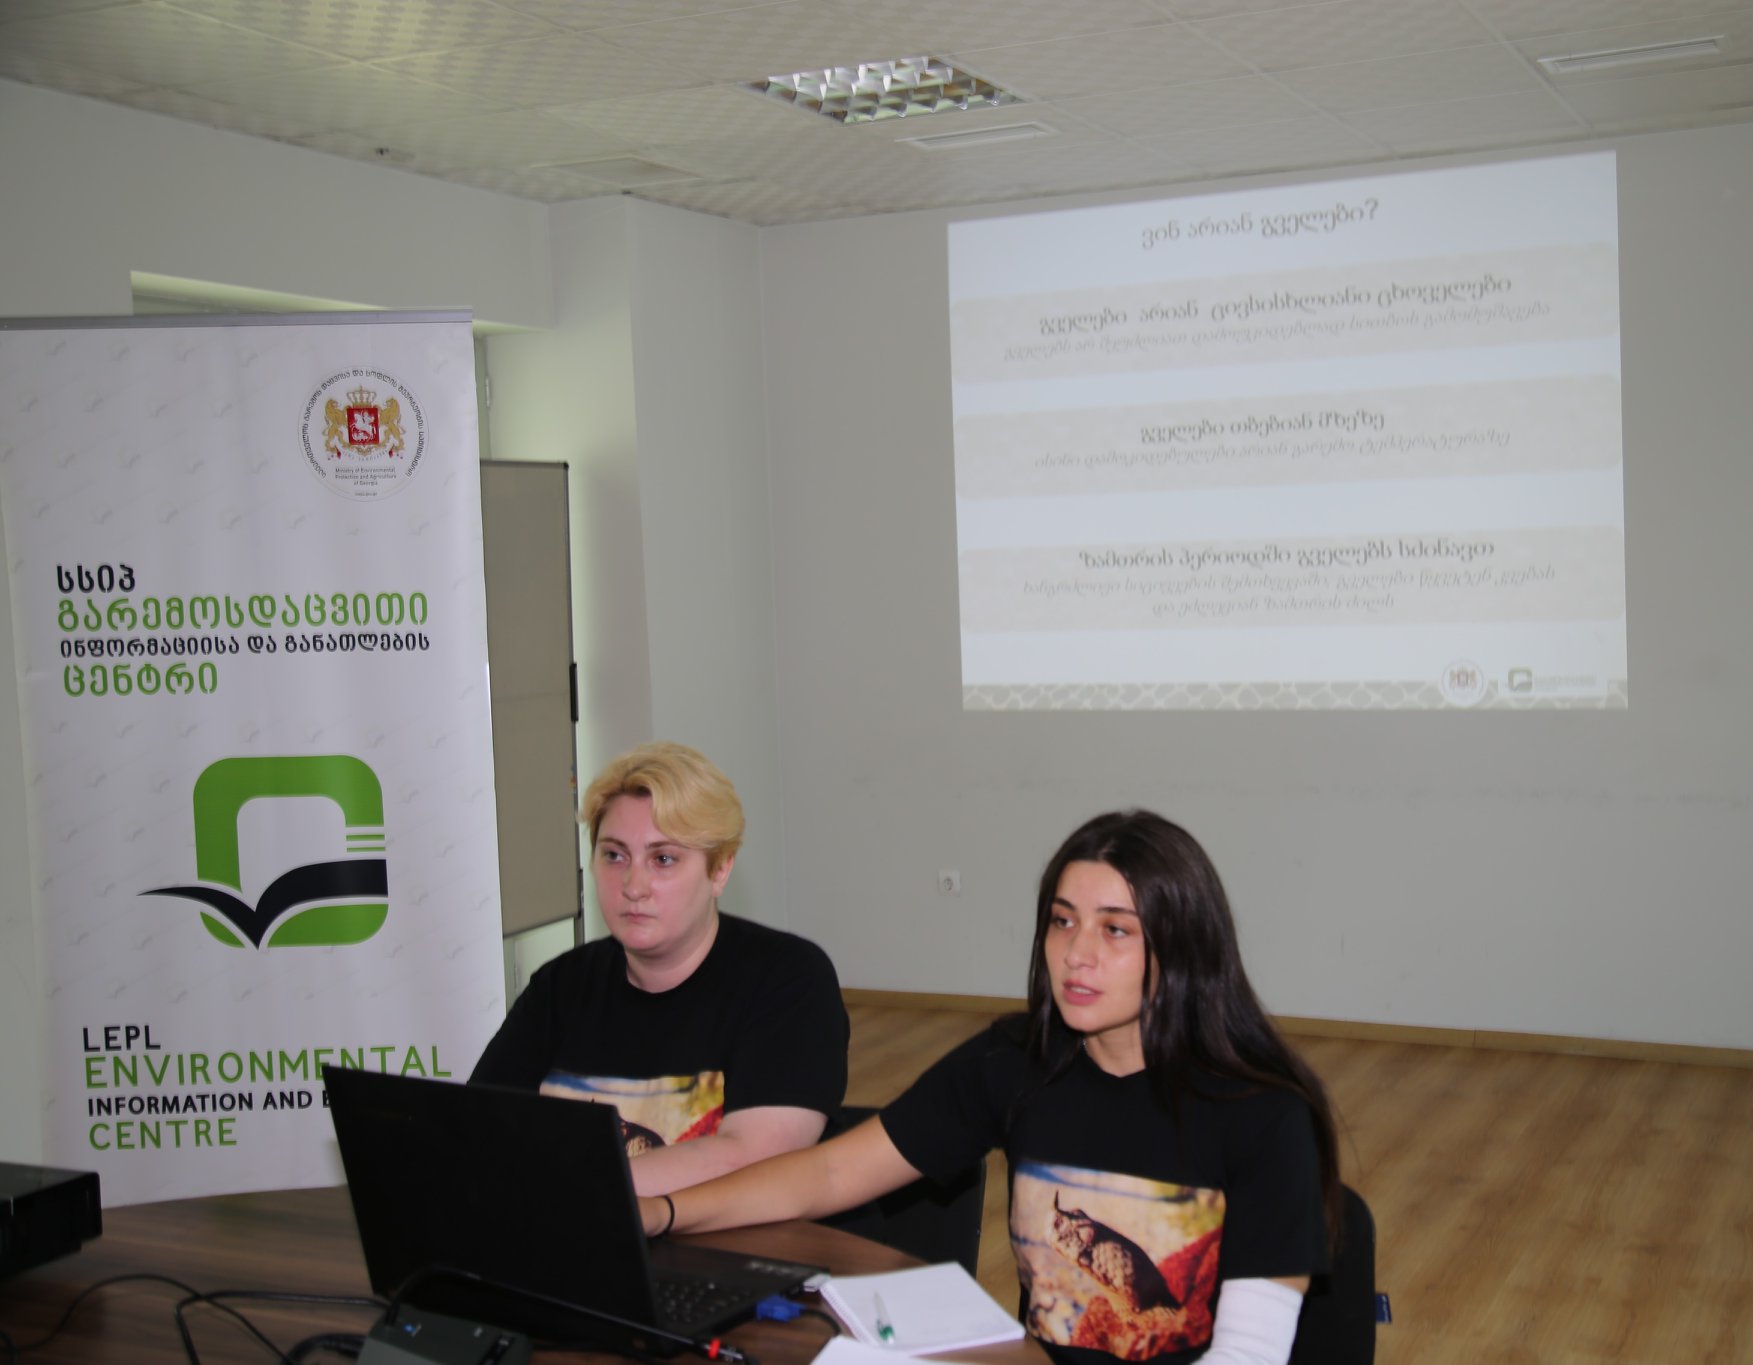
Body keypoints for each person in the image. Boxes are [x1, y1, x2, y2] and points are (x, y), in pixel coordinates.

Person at [639, 810, 1341, 1365]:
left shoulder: (1263, 1114)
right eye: (1062, 921)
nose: (1077, 952)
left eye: (1115, 930)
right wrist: (662, 1211)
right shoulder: (1015, 1061)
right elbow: (828, 1173)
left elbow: (1246, 1355)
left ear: (1182, 946)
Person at [471, 741, 848, 1196]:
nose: (634, 886)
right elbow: (477, 1131)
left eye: (663, 859)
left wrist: (568, 1185)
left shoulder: (787, 980)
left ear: (720, 870)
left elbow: (753, 1158)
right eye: (614, 855)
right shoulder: (561, 985)